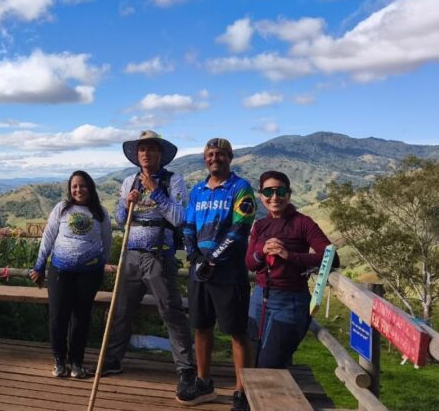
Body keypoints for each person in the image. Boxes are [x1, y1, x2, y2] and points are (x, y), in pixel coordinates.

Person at [102, 130, 196, 402]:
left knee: (171, 311)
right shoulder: (129, 180)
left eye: (150, 149)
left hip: (160, 255)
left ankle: (186, 369)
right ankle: (113, 359)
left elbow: (179, 218)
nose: (145, 153)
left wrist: (156, 193)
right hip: (131, 254)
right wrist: (126, 203)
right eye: (141, 149)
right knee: (121, 310)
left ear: (160, 154)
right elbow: (121, 219)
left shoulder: (173, 180)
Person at [181, 138, 256, 410]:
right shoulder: (198, 190)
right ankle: (203, 382)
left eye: (221, 154)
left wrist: (212, 258)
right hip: (199, 271)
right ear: (204, 159)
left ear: (230, 157)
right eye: (210, 154)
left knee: (237, 331)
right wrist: (194, 257)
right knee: (201, 326)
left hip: (229, 272)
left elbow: (240, 230)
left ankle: (242, 391)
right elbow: (188, 226)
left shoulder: (241, 189)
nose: (215, 158)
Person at [246, 170, 339, 368]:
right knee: (252, 358)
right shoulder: (260, 225)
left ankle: (270, 398)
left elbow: (332, 257)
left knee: (269, 364)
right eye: (268, 192)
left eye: (280, 191)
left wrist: (290, 256)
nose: (274, 197)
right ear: (261, 195)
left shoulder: (302, 223)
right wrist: (262, 252)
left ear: (288, 194)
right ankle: (247, 398)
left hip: (290, 301)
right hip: (259, 298)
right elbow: (250, 264)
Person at [30, 170, 112, 379]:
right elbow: (48, 237)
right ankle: (59, 360)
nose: (78, 190)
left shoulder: (100, 213)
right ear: (70, 189)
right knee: (58, 316)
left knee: (81, 318)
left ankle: (76, 362)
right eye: (74, 186)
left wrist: (100, 263)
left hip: (89, 274)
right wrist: (39, 266)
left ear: (90, 188)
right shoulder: (61, 209)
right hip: (60, 272)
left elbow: (107, 242)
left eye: (83, 185)